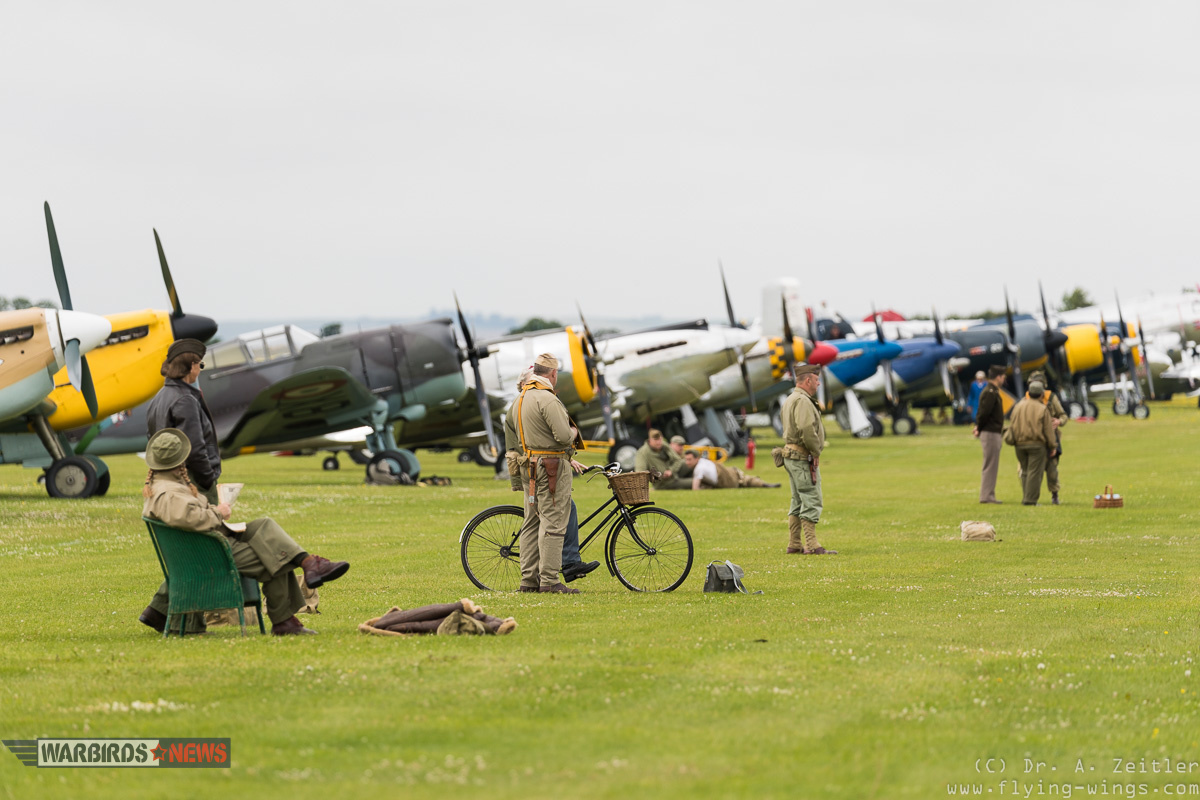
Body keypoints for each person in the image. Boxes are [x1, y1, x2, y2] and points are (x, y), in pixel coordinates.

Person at [138, 429, 350, 636]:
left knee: (262, 525)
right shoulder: (170, 493)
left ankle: (308, 564)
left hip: (202, 545)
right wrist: (219, 513)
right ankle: (285, 619)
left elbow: (189, 514)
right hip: (209, 551)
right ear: (180, 460)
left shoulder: (162, 485)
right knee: (277, 557)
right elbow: (190, 518)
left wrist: (214, 512)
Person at [504, 368, 598, 583]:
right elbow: (519, 447)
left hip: (536, 469)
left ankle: (535, 578)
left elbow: (543, 441)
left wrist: (567, 458)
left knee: (549, 516)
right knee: (552, 520)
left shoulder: (526, 405)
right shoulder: (529, 405)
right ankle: (556, 573)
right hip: (540, 471)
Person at [515, 354, 580, 594]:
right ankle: (550, 581)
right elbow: (563, 437)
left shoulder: (521, 398)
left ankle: (528, 581)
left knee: (531, 523)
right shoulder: (547, 399)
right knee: (553, 523)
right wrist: (573, 432)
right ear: (553, 374)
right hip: (551, 468)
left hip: (529, 466)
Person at [146, 338, 221, 504]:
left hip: (166, 478)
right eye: (200, 365)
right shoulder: (185, 399)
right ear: (191, 366)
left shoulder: (158, 397)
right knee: (208, 525)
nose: (200, 370)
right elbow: (194, 448)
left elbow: (150, 438)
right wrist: (207, 479)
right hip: (190, 481)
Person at [780, 364, 836, 555]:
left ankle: (794, 544)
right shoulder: (803, 400)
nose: (819, 383)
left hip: (791, 456)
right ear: (808, 380)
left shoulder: (791, 398)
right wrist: (815, 451)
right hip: (801, 456)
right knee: (811, 497)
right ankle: (812, 545)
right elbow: (806, 428)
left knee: (797, 500)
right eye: (816, 379)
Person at [1019, 370, 1068, 505]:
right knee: (1029, 471)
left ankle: (1054, 494)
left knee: (1052, 470)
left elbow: (1063, 415)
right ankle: (1029, 497)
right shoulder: (1025, 400)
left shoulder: (1052, 398)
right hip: (1033, 438)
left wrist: (1059, 422)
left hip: (1051, 437)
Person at [1009, 380, 1058, 505]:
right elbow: (1048, 429)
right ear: (1041, 394)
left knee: (1025, 471)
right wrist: (1053, 445)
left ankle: (1026, 496)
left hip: (1019, 443)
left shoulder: (1018, 406)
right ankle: (1030, 500)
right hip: (1037, 444)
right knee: (1035, 472)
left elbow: (1012, 424)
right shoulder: (1042, 408)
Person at [367, 599, 516, 636]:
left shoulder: (383, 623)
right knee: (419, 622)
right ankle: (497, 625)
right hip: (382, 624)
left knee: (419, 621)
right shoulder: (382, 624)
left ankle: (496, 624)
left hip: (383, 624)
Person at [973, 365, 1007, 504]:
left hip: (992, 431)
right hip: (990, 432)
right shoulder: (990, 392)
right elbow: (983, 413)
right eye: (1003, 376)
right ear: (998, 377)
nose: (1004, 379)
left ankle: (989, 494)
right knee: (990, 465)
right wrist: (979, 428)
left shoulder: (993, 391)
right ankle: (986, 496)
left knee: (992, 464)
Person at [681, 450, 779, 489]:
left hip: (725, 477)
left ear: (696, 459)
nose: (687, 462)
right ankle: (762, 483)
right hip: (725, 470)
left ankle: (762, 484)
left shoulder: (699, 469)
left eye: (689, 460)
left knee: (743, 481)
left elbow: (695, 489)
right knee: (744, 479)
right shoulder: (703, 461)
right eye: (686, 460)